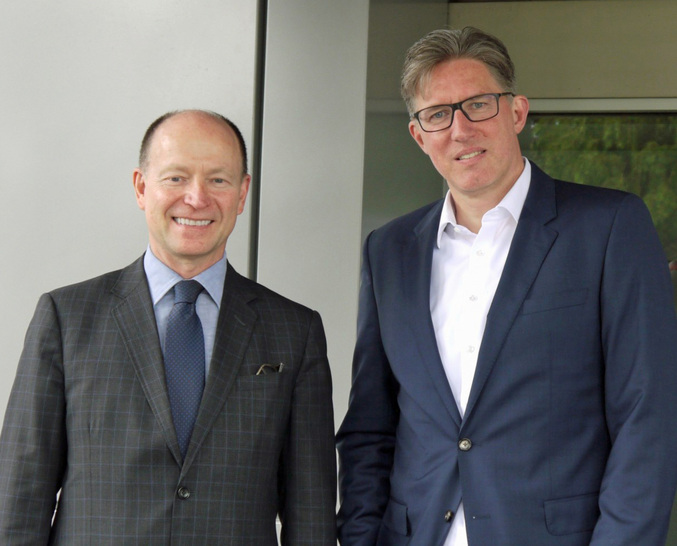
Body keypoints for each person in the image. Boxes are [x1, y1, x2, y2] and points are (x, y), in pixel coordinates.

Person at [336, 27, 677, 545]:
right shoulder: (388, 251)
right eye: (438, 114)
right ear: (418, 135)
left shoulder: (609, 227)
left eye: (478, 105)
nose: (460, 129)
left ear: (516, 112)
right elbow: (370, 428)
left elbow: (647, 417)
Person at [0, 110, 337, 545]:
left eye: (218, 180)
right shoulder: (66, 318)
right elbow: (18, 499)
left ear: (242, 193)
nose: (196, 198)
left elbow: (310, 515)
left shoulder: (295, 331)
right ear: (142, 187)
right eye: (176, 178)